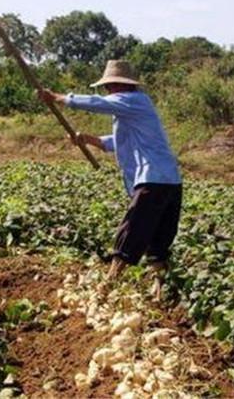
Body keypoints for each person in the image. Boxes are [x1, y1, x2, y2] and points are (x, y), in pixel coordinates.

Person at [37, 60, 182, 300]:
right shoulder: (131, 111)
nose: (108, 92)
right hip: (170, 181)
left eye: (109, 87)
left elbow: (97, 104)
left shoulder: (134, 101)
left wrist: (59, 98)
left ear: (118, 85)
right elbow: (117, 142)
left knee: (133, 228)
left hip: (154, 178)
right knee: (157, 237)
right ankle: (159, 292)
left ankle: (108, 285)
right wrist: (88, 139)